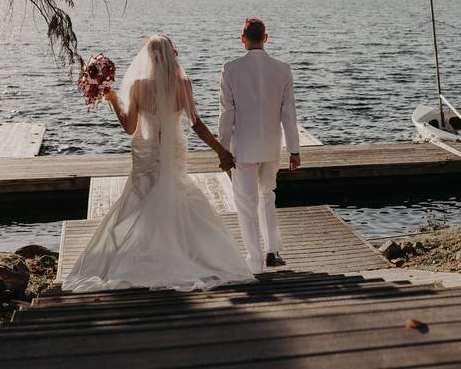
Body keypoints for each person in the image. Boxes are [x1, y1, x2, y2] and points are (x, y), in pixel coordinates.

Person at [62, 35, 253, 292]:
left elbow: (130, 128)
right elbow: (196, 124)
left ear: (149, 57)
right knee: (177, 196)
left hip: (147, 150)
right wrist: (221, 151)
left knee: (140, 201)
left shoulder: (139, 85)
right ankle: (185, 255)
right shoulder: (183, 83)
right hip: (174, 149)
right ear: (171, 55)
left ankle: (145, 256)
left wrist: (114, 101)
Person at [219, 18, 300, 274]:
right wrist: (294, 150)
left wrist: (222, 149)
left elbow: (226, 113)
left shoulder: (230, 69)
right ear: (266, 38)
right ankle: (272, 252)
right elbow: (289, 115)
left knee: (246, 203)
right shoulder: (283, 69)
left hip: (243, 148)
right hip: (270, 147)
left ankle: (255, 261)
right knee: (267, 197)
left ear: (242, 38)